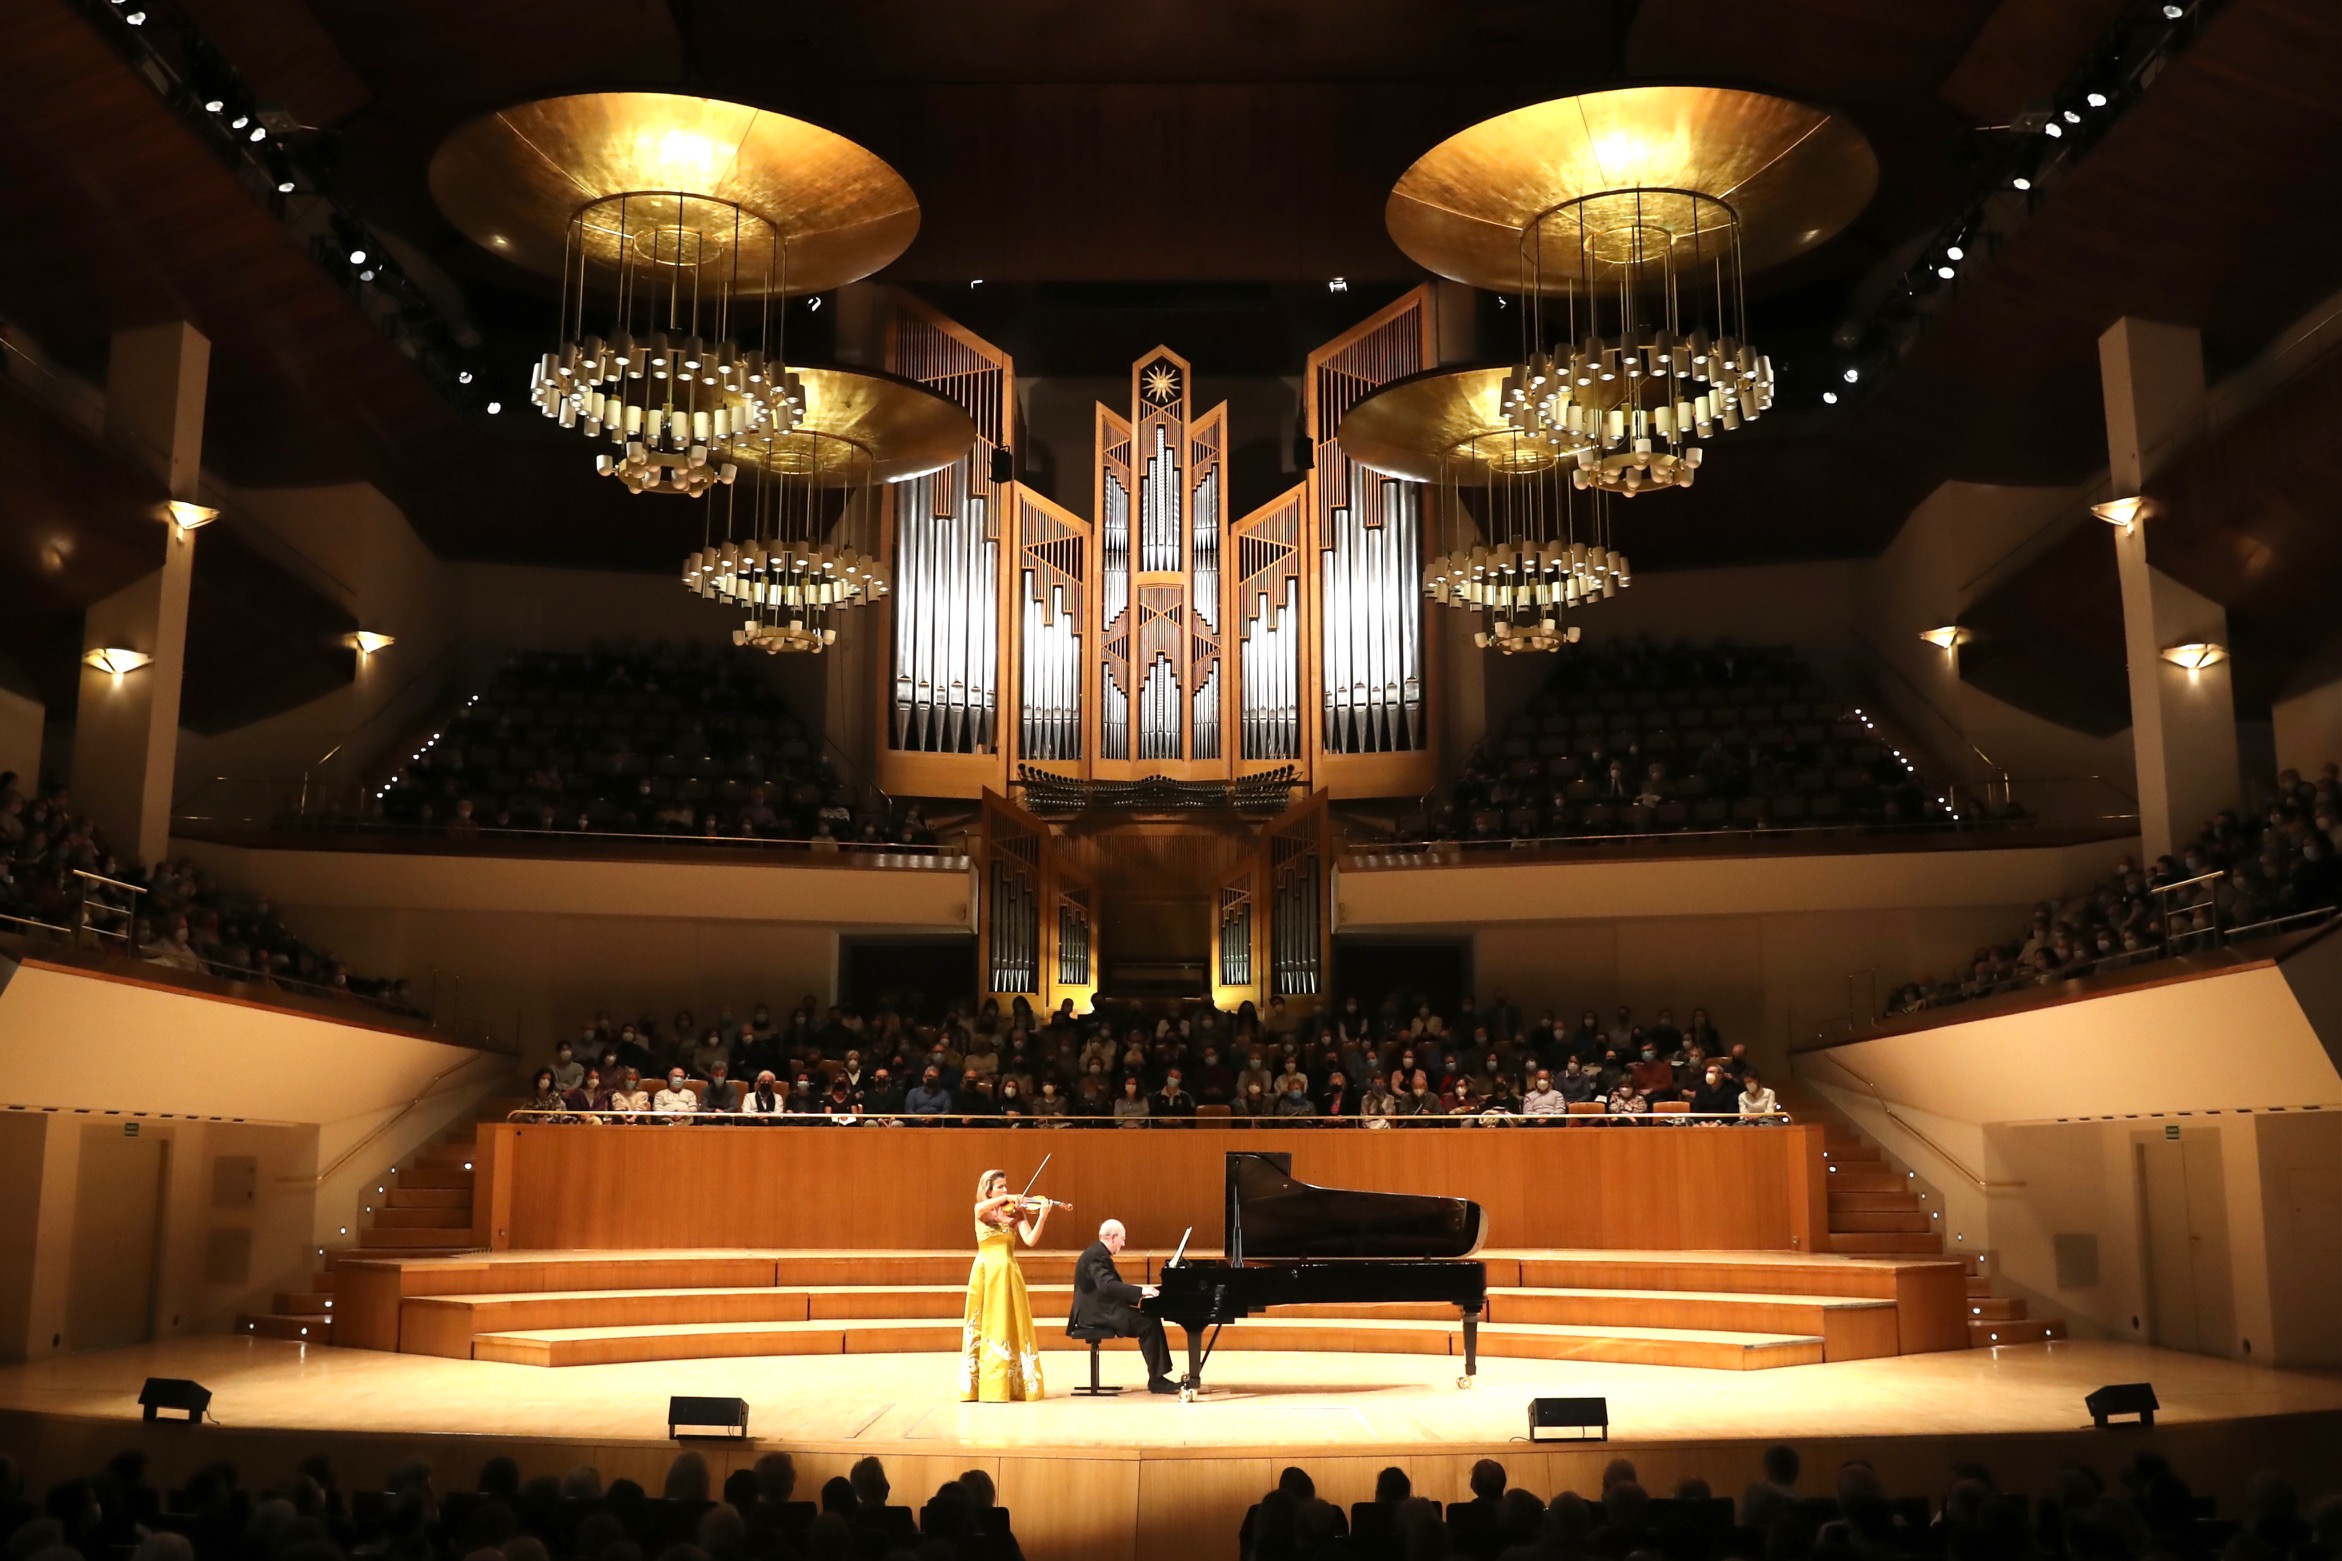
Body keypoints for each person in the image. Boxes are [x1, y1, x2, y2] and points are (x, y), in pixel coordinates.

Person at [963, 1168, 1051, 1402]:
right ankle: (983, 1386)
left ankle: (1010, 1384)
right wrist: (1008, 1198)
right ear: (988, 1189)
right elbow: (982, 1209)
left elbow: (1030, 1240)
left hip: (1008, 1273)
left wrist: (1041, 1216)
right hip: (984, 1273)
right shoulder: (981, 1211)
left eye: (1006, 1185)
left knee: (1009, 1323)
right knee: (984, 1325)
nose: (1006, 1189)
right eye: (1000, 1186)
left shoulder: (1016, 1215)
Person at [1069, 1218, 1175, 1393]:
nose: (1123, 1243)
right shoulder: (1097, 1255)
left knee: (1148, 1319)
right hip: (1095, 1314)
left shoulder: (1098, 1253)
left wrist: (1139, 1293)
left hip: (1100, 1308)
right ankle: (1157, 1380)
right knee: (1148, 1322)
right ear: (1112, 1237)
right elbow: (1107, 1285)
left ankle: (1157, 1377)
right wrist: (1141, 1291)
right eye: (1122, 1239)